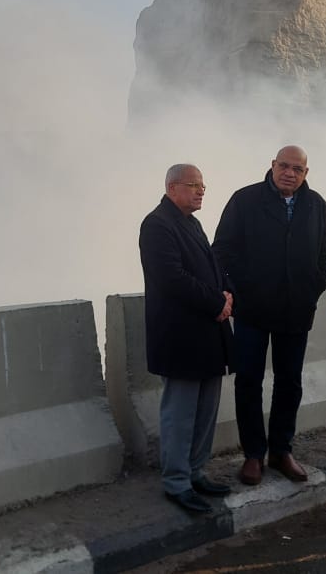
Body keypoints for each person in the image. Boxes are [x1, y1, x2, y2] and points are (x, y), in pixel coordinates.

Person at [213, 145, 326, 486]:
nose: (289, 173)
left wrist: (311, 290)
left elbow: (323, 254)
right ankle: (253, 453)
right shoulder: (245, 199)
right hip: (252, 309)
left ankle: (281, 450)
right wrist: (238, 291)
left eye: (297, 169)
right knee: (249, 381)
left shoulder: (316, 204)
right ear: (273, 165)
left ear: (306, 173)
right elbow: (221, 251)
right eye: (284, 166)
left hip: (296, 310)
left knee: (289, 382)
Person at [139, 164, 236, 514]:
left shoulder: (191, 222)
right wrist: (216, 303)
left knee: (206, 411)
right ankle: (177, 482)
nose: (200, 191)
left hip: (208, 332)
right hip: (180, 334)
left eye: (203, 186)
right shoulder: (157, 224)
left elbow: (212, 267)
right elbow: (171, 278)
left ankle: (196, 472)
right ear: (171, 188)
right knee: (180, 413)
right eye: (193, 185)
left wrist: (227, 295)